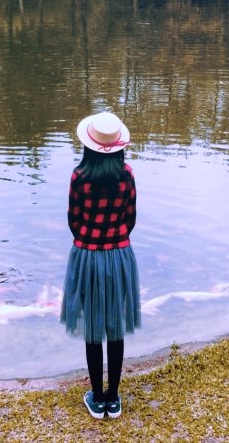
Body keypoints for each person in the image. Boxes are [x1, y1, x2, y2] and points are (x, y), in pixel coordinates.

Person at [60, 111, 141, 420]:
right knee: (115, 325)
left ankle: (97, 398)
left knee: (93, 326)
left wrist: (90, 242)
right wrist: (115, 239)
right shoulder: (128, 175)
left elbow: (74, 221)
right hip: (119, 254)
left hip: (87, 254)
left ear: (88, 145)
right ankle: (114, 398)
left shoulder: (79, 177)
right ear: (118, 145)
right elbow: (130, 219)